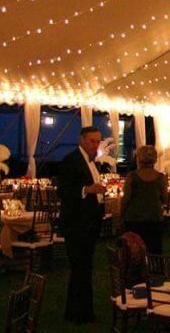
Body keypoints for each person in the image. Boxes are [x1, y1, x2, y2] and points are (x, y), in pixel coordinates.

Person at [57, 126, 106, 324]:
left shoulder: (92, 162)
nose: (96, 145)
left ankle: (83, 311)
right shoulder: (71, 161)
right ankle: (77, 314)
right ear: (82, 140)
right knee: (79, 269)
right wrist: (88, 189)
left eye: (98, 141)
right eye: (93, 141)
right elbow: (64, 191)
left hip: (89, 223)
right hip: (77, 225)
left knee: (85, 269)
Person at [121, 145, 168, 254]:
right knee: (154, 250)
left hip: (134, 219)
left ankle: (136, 270)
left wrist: (121, 216)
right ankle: (154, 269)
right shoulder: (161, 177)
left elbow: (126, 199)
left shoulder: (132, 176)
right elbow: (164, 199)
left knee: (134, 252)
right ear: (155, 159)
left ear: (138, 158)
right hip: (154, 218)